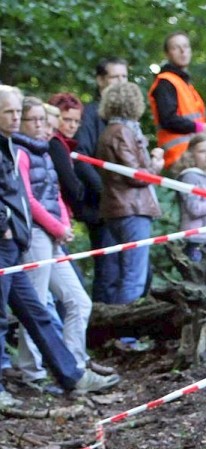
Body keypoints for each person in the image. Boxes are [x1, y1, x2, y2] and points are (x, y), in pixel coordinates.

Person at [0, 85, 119, 406]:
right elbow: (23, 200)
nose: (16, 119)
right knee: (19, 309)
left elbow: (47, 196)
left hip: (30, 241)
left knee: (54, 307)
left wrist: (61, 224)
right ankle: (23, 376)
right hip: (20, 240)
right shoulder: (16, 151)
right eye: (12, 113)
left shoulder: (28, 149)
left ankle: (73, 371)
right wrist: (7, 227)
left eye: (17, 112)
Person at [96, 82, 164, 304]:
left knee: (124, 273)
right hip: (132, 208)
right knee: (134, 276)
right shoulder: (123, 132)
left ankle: (119, 331)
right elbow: (134, 175)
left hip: (116, 208)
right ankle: (126, 337)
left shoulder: (110, 131)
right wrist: (155, 166)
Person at [73, 57, 128, 303]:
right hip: (103, 207)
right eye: (114, 77)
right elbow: (81, 158)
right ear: (100, 81)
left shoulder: (127, 119)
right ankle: (102, 333)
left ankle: (124, 331)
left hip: (127, 207)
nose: (120, 83)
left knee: (130, 268)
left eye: (124, 77)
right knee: (108, 270)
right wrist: (105, 192)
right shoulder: (91, 115)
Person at [147, 31, 206, 170]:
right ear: (167, 54)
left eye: (186, 46)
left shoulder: (184, 83)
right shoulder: (166, 83)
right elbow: (168, 119)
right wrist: (200, 128)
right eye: (176, 47)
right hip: (179, 158)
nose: (183, 51)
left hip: (193, 155)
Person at [173, 133, 206, 262]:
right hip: (194, 239)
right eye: (202, 151)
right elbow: (195, 209)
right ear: (191, 155)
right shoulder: (189, 177)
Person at [47, 92, 84, 215]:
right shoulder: (54, 143)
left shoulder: (61, 144)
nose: (73, 126)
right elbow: (71, 186)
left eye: (77, 121)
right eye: (67, 119)